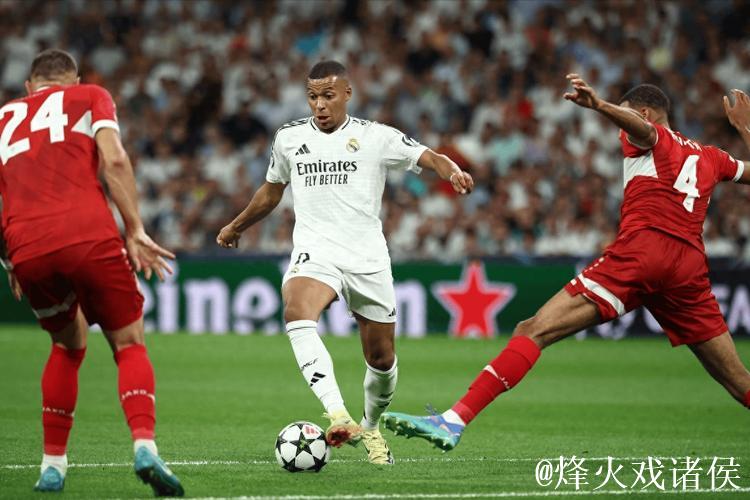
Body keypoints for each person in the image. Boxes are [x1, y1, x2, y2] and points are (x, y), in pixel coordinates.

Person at [382, 74, 750, 451]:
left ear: (643, 113)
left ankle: (453, 420)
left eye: (626, 117)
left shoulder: (652, 136)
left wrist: (601, 106)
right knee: (738, 381)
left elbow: (646, 131)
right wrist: (745, 129)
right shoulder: (713, 156)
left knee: (533, 330)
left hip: (643, 252)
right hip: (688, 268)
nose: (620, 130)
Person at [216, 60, 473, 465]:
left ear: (347, 94)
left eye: (328, 95)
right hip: (316, 251)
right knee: (297, 311)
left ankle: (370, 427)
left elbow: (429, 156)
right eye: (312, 96)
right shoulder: (289, 138)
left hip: (366, 257)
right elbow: (271, 191)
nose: (319, 104)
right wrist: (236, 225)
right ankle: (337, 414)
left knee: (382, 360)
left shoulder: (376, 136)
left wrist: (452, 170)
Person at [0, 49, 183, 496]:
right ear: (75, 80)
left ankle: (52, 465)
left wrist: (10, 258)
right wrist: (135, 230)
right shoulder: (90, 97)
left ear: (29, 87)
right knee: (129, 342)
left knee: (66, 346)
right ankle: (144, 446)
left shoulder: (3, 117)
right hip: (87, 234)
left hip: (27, 246)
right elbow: (115, 159)